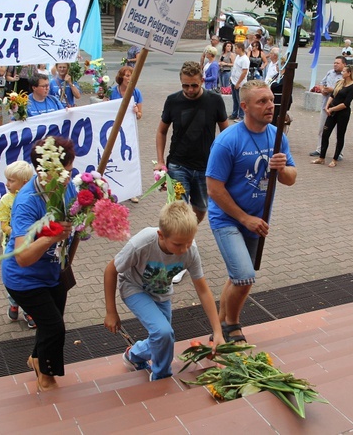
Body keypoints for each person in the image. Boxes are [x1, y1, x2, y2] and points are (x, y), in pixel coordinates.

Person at [206, 80, 297, 344]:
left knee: (239, 276)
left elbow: (291, 178)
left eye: (271, 100)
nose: (271, 106)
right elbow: (214, 189)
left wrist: (283, 168)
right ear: (244, 106)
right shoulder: (227, 142)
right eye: (262, 101)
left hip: (257, 220)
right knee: (245, 276)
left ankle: (221, 324)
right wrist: (244, 218)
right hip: (228, 219)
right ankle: (232, 324)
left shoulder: (278, 137)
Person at [103, 201, 225, 380]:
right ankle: (161, 377)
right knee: (163, 333)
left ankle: (134, 356)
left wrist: (218, 332)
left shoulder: (190, 251)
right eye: (177, 244)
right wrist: (111, 311)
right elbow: (110, 270)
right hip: (134, 287)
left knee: (164, 339)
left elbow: (204, 291)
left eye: (188, 242)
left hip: (161, 293)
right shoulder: (142, 243)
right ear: (161, 235)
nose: (183, 250)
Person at [2, 136, 76, 392]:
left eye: (68, 172)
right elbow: (22, 257)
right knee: (55, 327)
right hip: (25, 279)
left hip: (54, 270)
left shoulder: (67, 186)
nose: (65, 178)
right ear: (43, 169)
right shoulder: (27, 201)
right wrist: (53, 236)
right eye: (60, 173)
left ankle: (36, 359)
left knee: (50, 324)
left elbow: (75, 212)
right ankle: (46, 377)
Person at [156, 61, 228, 282]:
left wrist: (227, 163)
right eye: (185, 85)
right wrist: (160, 162)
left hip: (207, 168)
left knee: (200, 208)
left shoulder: (215, 100)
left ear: (202, 81)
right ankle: (178, 261)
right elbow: (161, 131)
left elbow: (226, 132)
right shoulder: (172, 101)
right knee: (177, 210)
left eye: (194, 86)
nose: (189, 90)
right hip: (178, 165)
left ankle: (187, 237)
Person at [0, 161, 37, 329]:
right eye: (7, 180)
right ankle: (14, 302)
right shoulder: (6, 200)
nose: (7, 184)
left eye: (11, 180)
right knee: (15, 277)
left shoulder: (33, 197)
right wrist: (19, 231)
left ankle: (28, 308)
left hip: (31, 245)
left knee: (29, 277)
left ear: (25, 182)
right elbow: (3, 225)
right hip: (12, 247)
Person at [109, 66, 143, 204]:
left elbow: (140, 115)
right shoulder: (113, 92)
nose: (129, 78)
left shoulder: (136, 92)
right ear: (121, 77)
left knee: (129, 159)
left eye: (131, 76)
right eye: (127, 75)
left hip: (129, 132)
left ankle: (131, 191)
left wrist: (136, 111)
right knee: (114, 159)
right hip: (113, 130)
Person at [313, 65, 353, 167]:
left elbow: (346, 104)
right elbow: (333, 95)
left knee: (340, 136)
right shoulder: (340, 83)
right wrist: (327, 106)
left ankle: (335, 159)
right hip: (331, 111)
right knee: (325, 133)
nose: (342, 73)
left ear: (349, 73)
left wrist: (332, 109)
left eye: (344, 71)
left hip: (342, 113)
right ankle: (321, 157)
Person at [309, 56, 346, 157]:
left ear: (344, 65)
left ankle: (339, 153)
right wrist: (322, 90)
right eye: (334, 63)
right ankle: (319, 149)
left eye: (338, 63)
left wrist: (332, 90)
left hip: (338, 107)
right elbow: (322, 83)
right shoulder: (330, 72)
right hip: (326, 105)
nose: (335, 65)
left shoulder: (345, 76)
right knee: (322, 128)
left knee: (339, 131)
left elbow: (345, 91)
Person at [229, 42, 250, 120]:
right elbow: (235, 68)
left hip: (240, 83)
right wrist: (231, 77)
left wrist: (238, 83)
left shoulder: (245, 59)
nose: (235, 50)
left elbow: (244, 72)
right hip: (233, 81)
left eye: (236, 48)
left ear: (241, 49)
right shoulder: (238, 56)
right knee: (235, 99)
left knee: (240, 100)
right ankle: (234, 114)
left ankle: (241, 116)